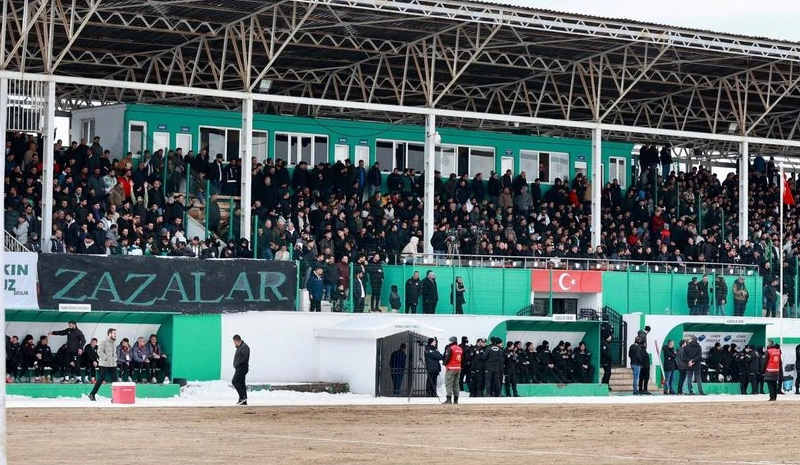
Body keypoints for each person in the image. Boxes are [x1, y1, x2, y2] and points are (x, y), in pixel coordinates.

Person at [88, 328, 118, 401]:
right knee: (101, 380)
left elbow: (114, 353)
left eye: (116, 333)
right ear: (110, 334)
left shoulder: (114, 342)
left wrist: (115, 358)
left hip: (113, 364)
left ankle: (116, 397)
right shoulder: (104, 342)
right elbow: (99, 352)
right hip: (104, 364)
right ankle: (92, 394)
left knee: (115, 381)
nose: (115, 335)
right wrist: (106, 358)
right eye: (114, 333)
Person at [442, 336, 463, 404]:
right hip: (458, 368)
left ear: (451, 341)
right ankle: (456, 400)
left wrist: (444, 363)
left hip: (451, 368)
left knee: (449, 384)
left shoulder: (450, 348)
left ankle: (448, 399)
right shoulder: (460, 349)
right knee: (456, 384)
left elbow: (447, 358)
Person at [232, 334, 250, 405]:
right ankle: (244, 400)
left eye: (234, 342)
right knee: (241, 383)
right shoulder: (240, 347)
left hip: (242, 368)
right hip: (239, 368)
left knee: (235, 381)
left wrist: (238, 363)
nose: (234, 343)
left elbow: (245, 358)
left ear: (237, 340)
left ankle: (242, 397)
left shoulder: (244, 347)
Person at [637, 326, 651, 394]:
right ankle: (644, 389)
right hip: (644, 364)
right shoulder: (643, 336)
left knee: (641, 377)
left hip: (642, 363)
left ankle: (640, 389)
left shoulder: (638, 349)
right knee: (645, 377)